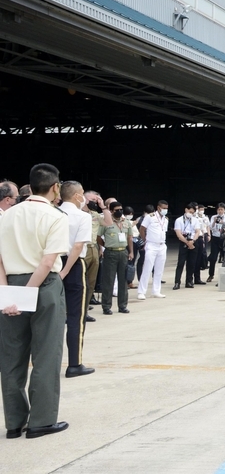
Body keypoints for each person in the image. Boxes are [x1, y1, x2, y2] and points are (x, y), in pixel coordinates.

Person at [0, 163, 70, 438]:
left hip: (11, 285)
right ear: (55, 187)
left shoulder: (7, 215)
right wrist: (28, 293)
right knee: (45, 354)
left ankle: (14, 423)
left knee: (12, 356)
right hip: (42, 287)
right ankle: (41, 421)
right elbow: (47, 262)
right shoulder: (55, 216)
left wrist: (7, 291)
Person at [56, 181, 94, 377]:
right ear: (77, 195)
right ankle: (74, 363)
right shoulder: (82, 216)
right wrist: (65, 271)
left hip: (51, 262)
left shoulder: (53, 212)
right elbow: (78, 247)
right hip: (72, 264)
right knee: (75, 317)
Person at [98, 199, 132, 315]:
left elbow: (130, 238)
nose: (120, 212)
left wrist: (131, 252)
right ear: (111, 211)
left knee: (123, 280)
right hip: (111, 252)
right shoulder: (106, 222)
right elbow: (98, 236)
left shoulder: (126, 222)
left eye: (121, 210)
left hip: (123, 252)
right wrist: (105, 246)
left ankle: (122, 305)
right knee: (109, 280)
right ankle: (106, 306)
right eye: (117, 210)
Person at [137, 201, 169, 299]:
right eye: (163, 208)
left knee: (159, 269)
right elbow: (142, 229)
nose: (165, 210)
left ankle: (156, 290)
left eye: (166, 208)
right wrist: (145, 240)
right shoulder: (150, 217)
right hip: (151, 245)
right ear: (158, 207)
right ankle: (141, 292)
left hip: (162, 245)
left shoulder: (166, 219)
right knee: (147, 268)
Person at [172, 202, 201, 290]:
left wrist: (193, 241)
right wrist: (187, 242)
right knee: (181, 263)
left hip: (193, 241)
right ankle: (177, 282)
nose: (191, 214)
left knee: (191, 263)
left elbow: (197, 231)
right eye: (190, 212)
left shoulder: (195, 220)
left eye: (193, 213)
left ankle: (189, 281)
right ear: (186, 210)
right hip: (183, 242)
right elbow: (178, 233)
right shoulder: (179, 220)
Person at [205, 204, 225, 282]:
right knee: (213, 257)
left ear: (224, 210)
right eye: (218, 209)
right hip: (215, 238)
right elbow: (210, 227)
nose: (220, 211)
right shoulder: (213, 217)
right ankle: (211, 274)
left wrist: (222, 222)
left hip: (224, 238)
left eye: (221, 209)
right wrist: (214, 221)